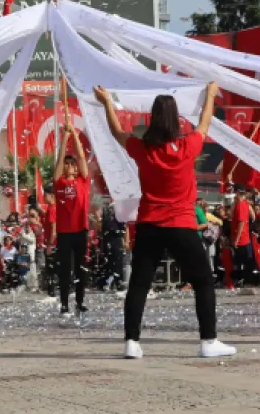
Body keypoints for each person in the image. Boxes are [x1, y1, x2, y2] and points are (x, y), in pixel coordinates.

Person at [95, 82, 236, 359]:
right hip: (181, 225)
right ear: (175, 119)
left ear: (153, 118)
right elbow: (205, 124)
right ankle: (208, 341)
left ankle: (131, 343)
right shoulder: (187, 145)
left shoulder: (143, 149)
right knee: (203, 282)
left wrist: (107, 103)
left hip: (149, 225)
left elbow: (117, 132)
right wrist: (209, 95)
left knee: (139, 284)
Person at [53, 121, 90, 316]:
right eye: (67, 164)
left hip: (80, 231)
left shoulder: (83, 182)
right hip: (64, 232)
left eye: (71, 164)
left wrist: (74, 134)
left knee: (80, 268)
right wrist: (65, 137)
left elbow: (82, 158)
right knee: (65, 270)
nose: (69, 166)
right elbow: (58, 166)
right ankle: (65, 303)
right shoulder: (59, 184)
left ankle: (80, 302)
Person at [230, 188, 253, 293]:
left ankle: (241, 281)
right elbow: (253, 217)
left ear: (238, 193)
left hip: (241, 239)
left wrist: (237, 238)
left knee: (240, 262)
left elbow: (241, 222)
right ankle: (241, 281)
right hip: (243, 237)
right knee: (241, 261)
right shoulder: (243, 204)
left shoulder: (241, 205)